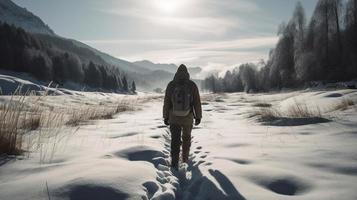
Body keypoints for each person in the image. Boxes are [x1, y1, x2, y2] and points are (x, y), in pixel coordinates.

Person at [163, 64, 202, 170]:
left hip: (173, 117)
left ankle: (174, 163)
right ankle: (184, 159)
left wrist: (165, 116)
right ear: (187, 73)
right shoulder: (192, 85)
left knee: (175, 140)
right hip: (187, 118)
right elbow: (197, 102)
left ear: (176, 73)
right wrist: (198, 116)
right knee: (186, 139)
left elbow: (166, 102)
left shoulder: (171, 85)